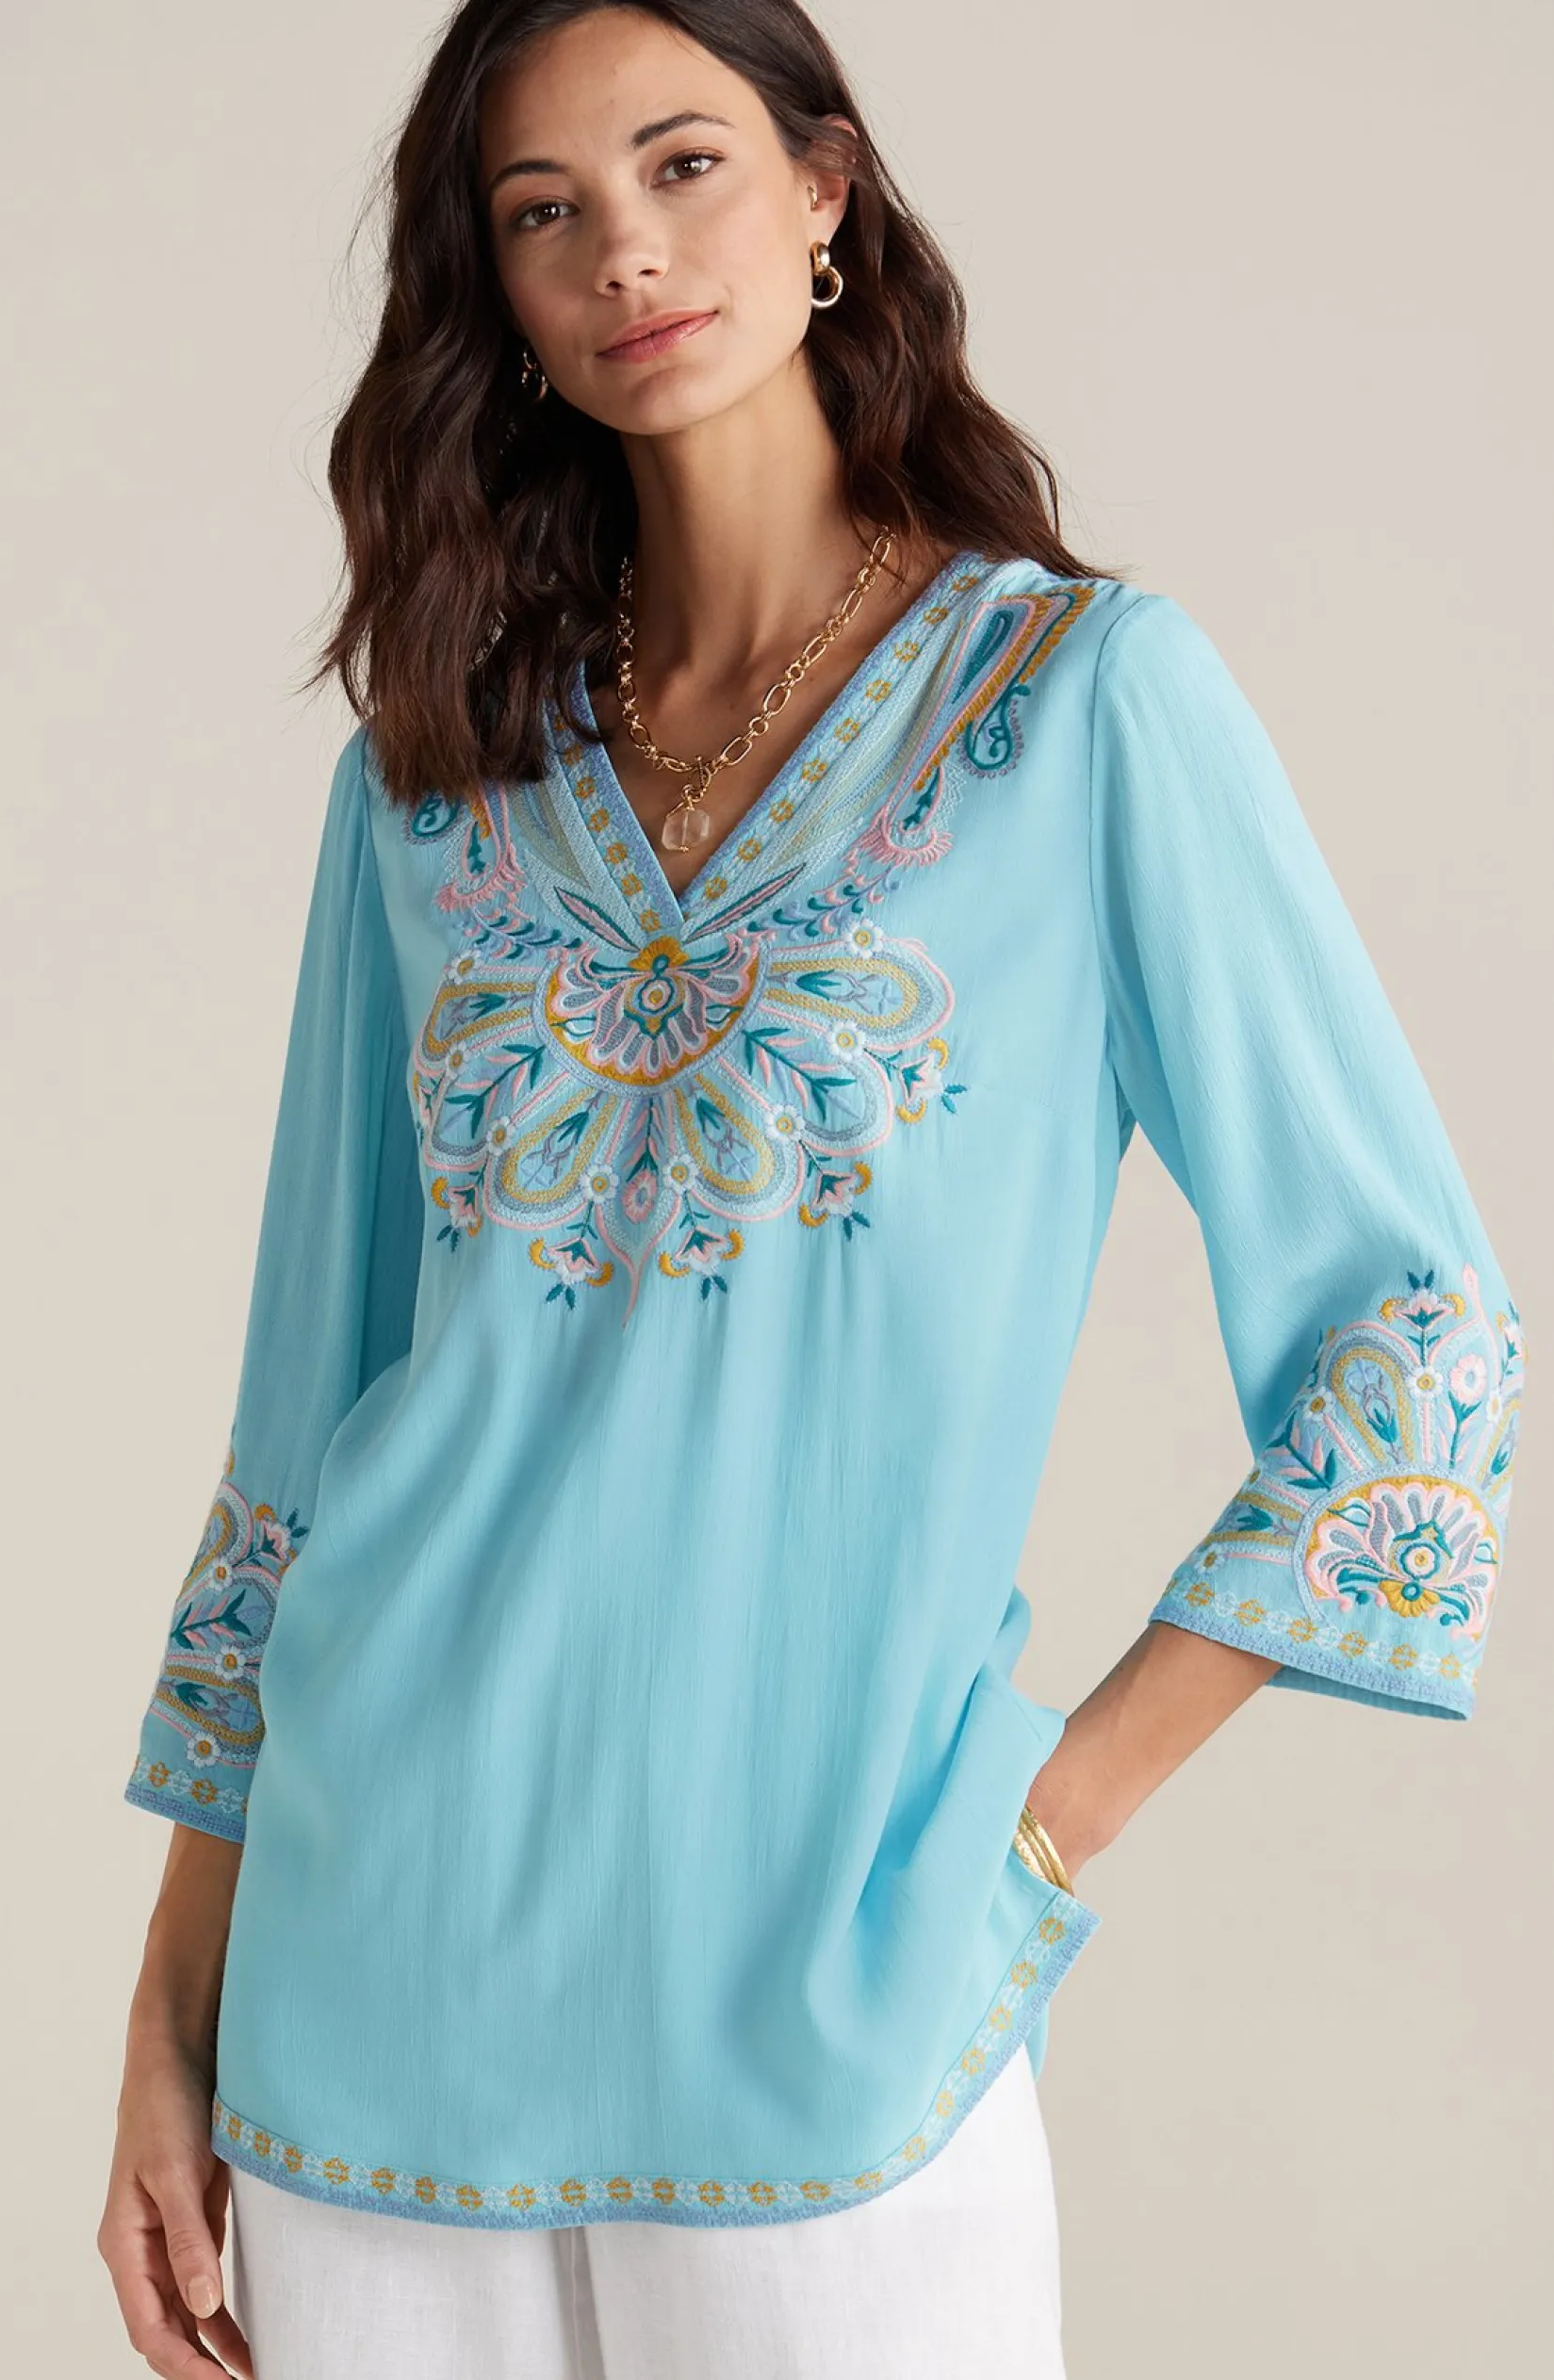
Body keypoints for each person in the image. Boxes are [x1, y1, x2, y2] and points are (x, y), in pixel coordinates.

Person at [97, 4, 1526, 2376]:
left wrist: (1041, 1828)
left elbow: (1415, 1328)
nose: (624, 253)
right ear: (497, 292)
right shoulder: (432, 782)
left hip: (833, 2022)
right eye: (542, 212)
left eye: (682, 166)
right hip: (364, 1999)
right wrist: (172, 2012)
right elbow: (296, 1442)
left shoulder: (1078, 709)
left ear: (825, 193)